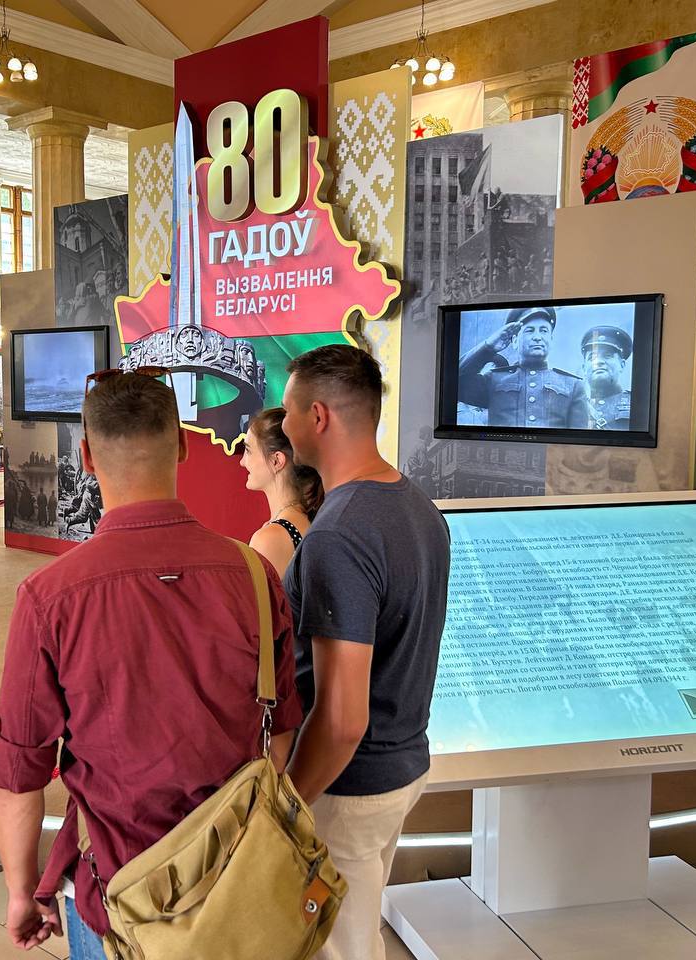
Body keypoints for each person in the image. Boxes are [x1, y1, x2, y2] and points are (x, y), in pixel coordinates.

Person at [0, 371, 303, 957]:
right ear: (181, 444)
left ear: (84, 454)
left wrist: (21, 891)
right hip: (238, 882)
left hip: (120, 891)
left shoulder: (48, 596)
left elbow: (17, 775)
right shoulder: (254, 575)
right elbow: (279, 735)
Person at [281, 345, 451, 960]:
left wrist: (286, 801)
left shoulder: (340, 533)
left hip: (347, 787)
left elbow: (343, 717)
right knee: (359, 929)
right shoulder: (418, 505)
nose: (284, 421)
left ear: (319, 417)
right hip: (401, 763)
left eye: (290, 410)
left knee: (341, 947)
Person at [457, 305, 587, 429]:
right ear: (514, 341)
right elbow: (454, 383)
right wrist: (488, 347)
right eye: (529, 331)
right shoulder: (493, 380)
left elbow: (577, 440)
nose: (537, 337)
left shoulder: (573, 385)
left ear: (551, 340)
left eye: (544, 331)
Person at [240, 406, 324, 575]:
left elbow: (261, 602)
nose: (242, 462)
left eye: (248, 450)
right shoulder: (308, 521)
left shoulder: (270, 539)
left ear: (277, 460)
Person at [580, 325, 634, 430]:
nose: (598, 361)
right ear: (584, 368)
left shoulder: (637, 402)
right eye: (592, 357)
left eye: (607, 355)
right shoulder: (572, 406)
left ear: (622, 365)